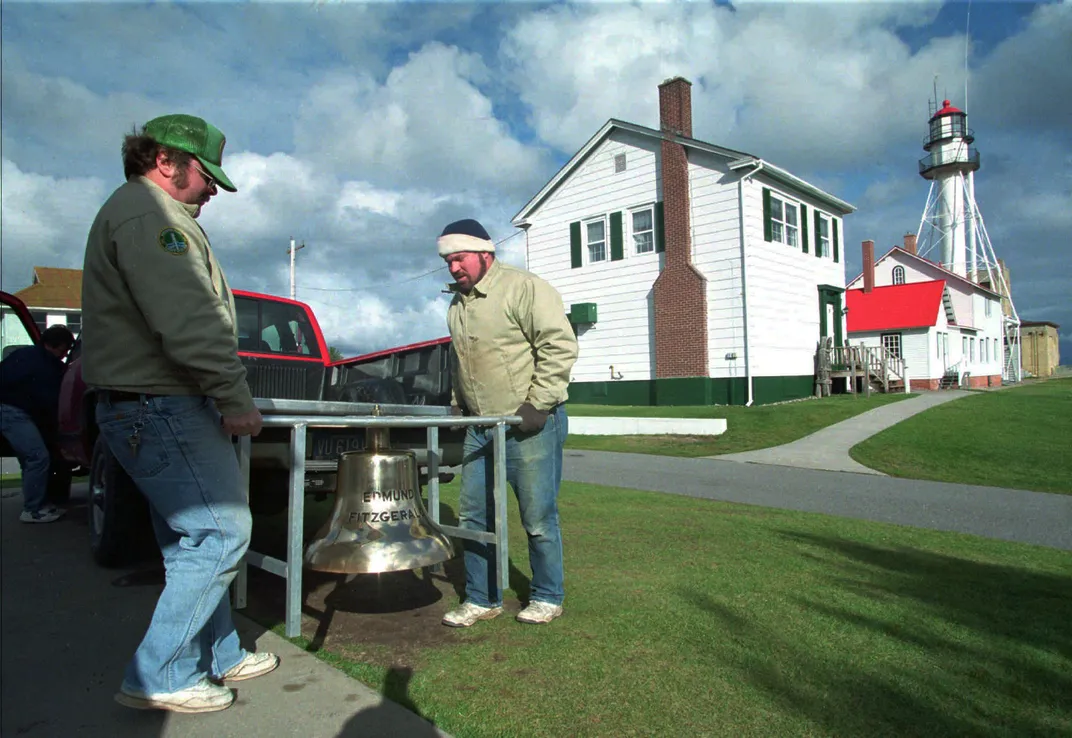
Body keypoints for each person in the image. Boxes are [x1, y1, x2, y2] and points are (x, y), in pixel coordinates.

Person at [81, 114, 277, 714]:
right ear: (166, 161)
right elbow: (188, 318)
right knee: (222, 532)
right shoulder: (152, 219)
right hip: (160, 402)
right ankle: (159, 673)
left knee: (190, 540)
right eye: (205, 174)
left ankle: (218, 654)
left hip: (145, 404)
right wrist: (234, 398)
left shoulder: (140, 213)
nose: (213, 188)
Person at [437, 219, 579, 628]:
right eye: (447, 261)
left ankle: (548, 596)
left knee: (536, 517)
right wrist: (458, 405)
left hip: (529, 424)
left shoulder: (523, 287)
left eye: (459, 258)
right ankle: (482, 598)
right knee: (473, 518)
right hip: (480, 427)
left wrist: (538, 404)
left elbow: (560, 345)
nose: (453, 268)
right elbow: (461, 362)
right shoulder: (457, 304)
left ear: (485, 253)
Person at [0, 324, 75, 523]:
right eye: (64, 350)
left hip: (7, 410)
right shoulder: (49, 366)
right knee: (37, 457)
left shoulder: (23, 354)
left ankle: (37, 503)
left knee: (30, 460)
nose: (64, 354)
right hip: (15, 412)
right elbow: (48, 403)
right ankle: (33, 510)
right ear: (54, 345)